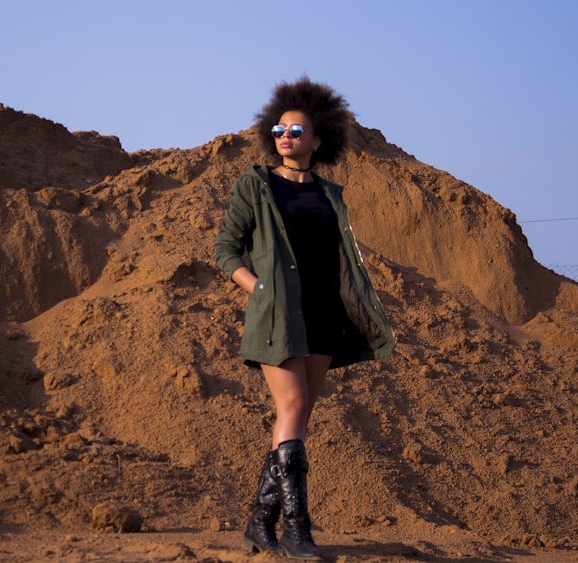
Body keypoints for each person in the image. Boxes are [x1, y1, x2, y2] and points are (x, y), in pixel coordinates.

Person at [214, 76, 395, 560]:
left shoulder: (331, 194)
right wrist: (258, 288)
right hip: (278, 317)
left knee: (298, 416)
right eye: (279, 129)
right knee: (292, 407)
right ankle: (297, 530)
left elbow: (343, 259)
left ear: (318, 141)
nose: (285, 137)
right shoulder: (255, 185)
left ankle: (258, 521)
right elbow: (226, 250)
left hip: (323, 315)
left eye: (296, 131)